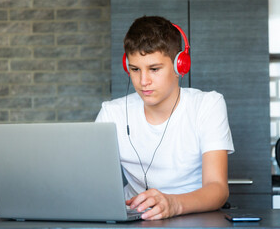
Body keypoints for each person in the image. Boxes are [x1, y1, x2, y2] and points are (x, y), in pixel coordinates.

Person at [95, 15, 234, 220]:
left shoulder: (208, 105)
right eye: (135, 69)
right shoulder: (111, 112)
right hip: (134, 220)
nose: (143, 81)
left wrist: (173, 204)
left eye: (154, 69)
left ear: (180, 66)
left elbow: (218, 189)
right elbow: (91, 183)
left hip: (192, 218)